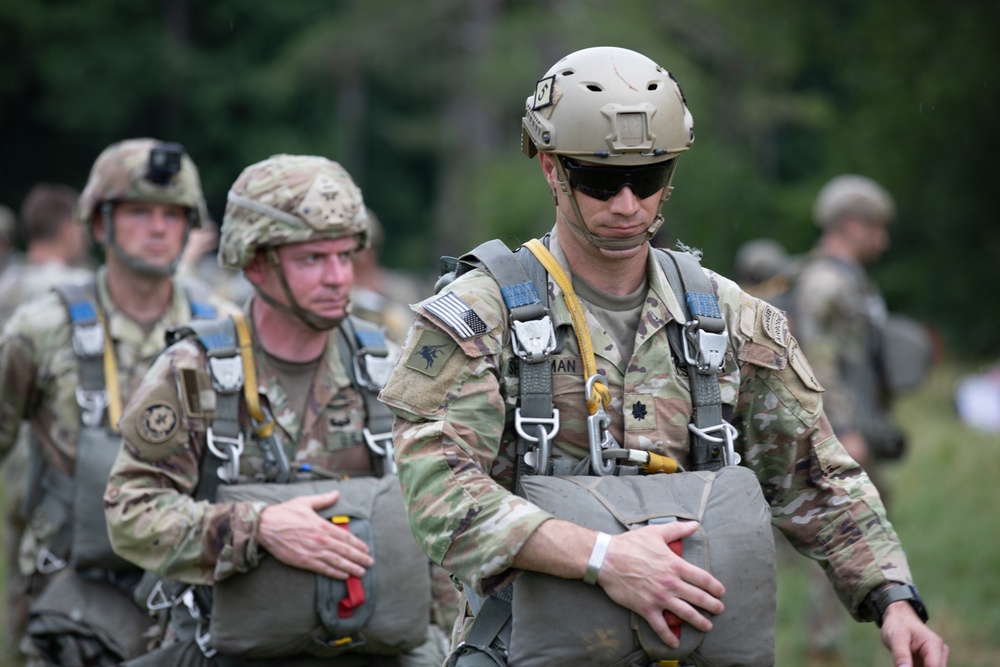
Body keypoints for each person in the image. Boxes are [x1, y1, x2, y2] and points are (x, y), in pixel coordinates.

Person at [379, 47, 949, 667]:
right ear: (549, 167)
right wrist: (603, 559)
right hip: (530, 647)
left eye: (646, 178)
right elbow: (438, 494)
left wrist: (893, 598)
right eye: (599, 180)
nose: (626, 204)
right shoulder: (481, 316)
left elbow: (816, 477)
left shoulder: (730, 317)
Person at [104, 154, 447, 666]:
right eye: (313, 259)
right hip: (230, 650)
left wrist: (443, 639)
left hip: (377, 647)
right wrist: (256, 527)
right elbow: (129, 513)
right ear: (256, 263)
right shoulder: (193, 372)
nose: (338, 278)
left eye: (345, 256)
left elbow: (438, 512)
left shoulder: (386, 369)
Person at [0, 138, 236, 666]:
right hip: (70, 607)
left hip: (198, 604)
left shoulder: (224, 331)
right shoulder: (41, 330)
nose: (158, 228)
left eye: (173, 215)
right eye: (139, 212)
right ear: (100, 224)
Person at [791, 174, 933, 663]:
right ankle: (824, 641)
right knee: (844, 531)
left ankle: (879, 624)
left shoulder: (852, 280)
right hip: (843, 433)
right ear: (852, 224)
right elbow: (820, 361)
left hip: (860, 427)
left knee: (868, 529)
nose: (883, 239)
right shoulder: (826, 282)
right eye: (877, 227)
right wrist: (844, 431)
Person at [0, 182, 94, 665]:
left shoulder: (9, 282)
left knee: (14, 573)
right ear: (65, 227)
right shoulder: (73, 289)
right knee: (56, 574)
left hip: (10, 447)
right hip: (53, 454)